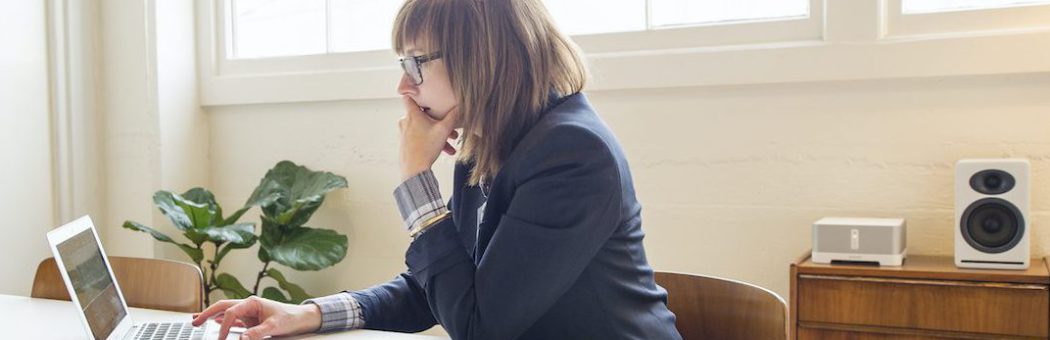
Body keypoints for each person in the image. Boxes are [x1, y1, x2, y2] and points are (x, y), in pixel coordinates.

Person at [191, 0, 681, 339]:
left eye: (416, 63)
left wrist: (414, 183)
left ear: (479, 56)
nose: (404, 86)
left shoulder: (573, 153)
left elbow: (477, 326)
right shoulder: (493, 140)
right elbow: (440, 288)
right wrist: (311, 313)